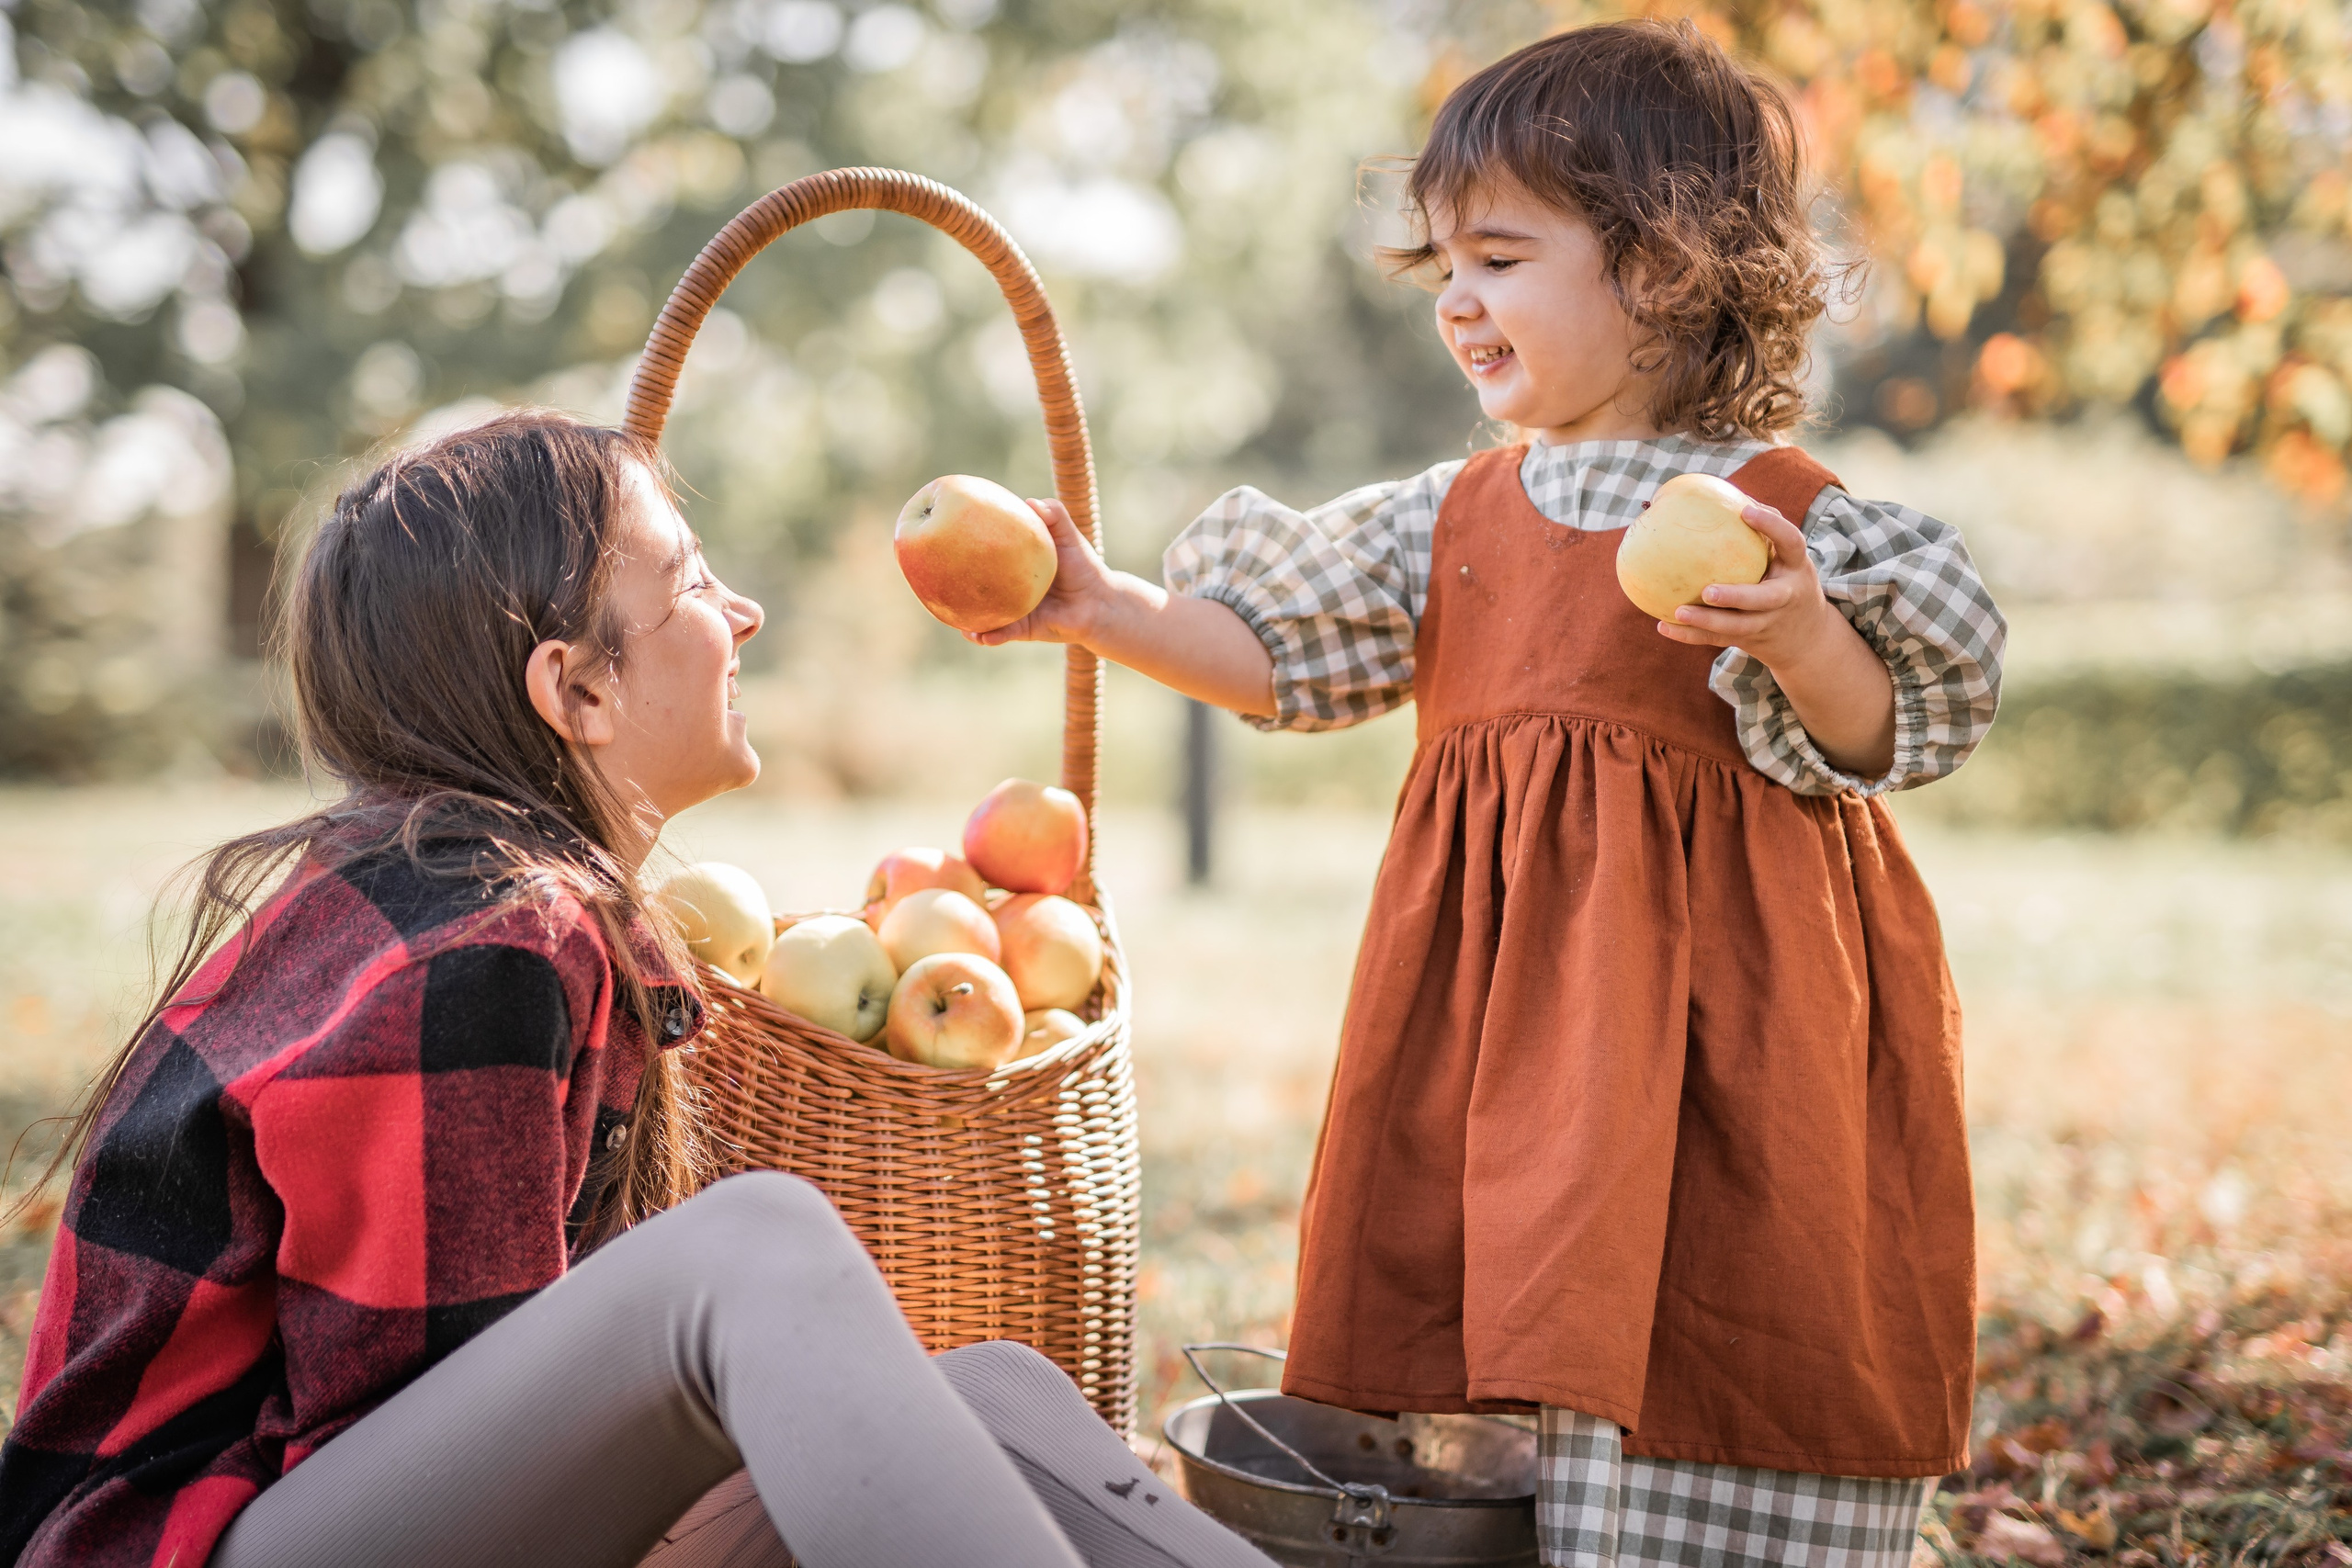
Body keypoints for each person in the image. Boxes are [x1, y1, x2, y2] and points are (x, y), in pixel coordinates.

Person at [974, 20, 2002, 1568]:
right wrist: (1103, 604)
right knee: (1513, 1288)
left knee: (1725, 1290)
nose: (1457, 296)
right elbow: (1279, 656)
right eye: (1445, 262)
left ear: (1661, 270)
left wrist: (1797, 628)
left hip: (1731, 1027)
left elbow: (1895, 728)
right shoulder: (1456, 515)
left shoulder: (1784, 521)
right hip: (1503, 1034)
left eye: (1503, 257)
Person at [0, 412, 1277, 1568]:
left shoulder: (465, 904)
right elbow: (421, 1437)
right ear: (581, 690)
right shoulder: (480, 948)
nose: (748, 613)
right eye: (695, 582)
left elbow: (521, 1459)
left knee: (991, 1398)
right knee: (750, 1254)